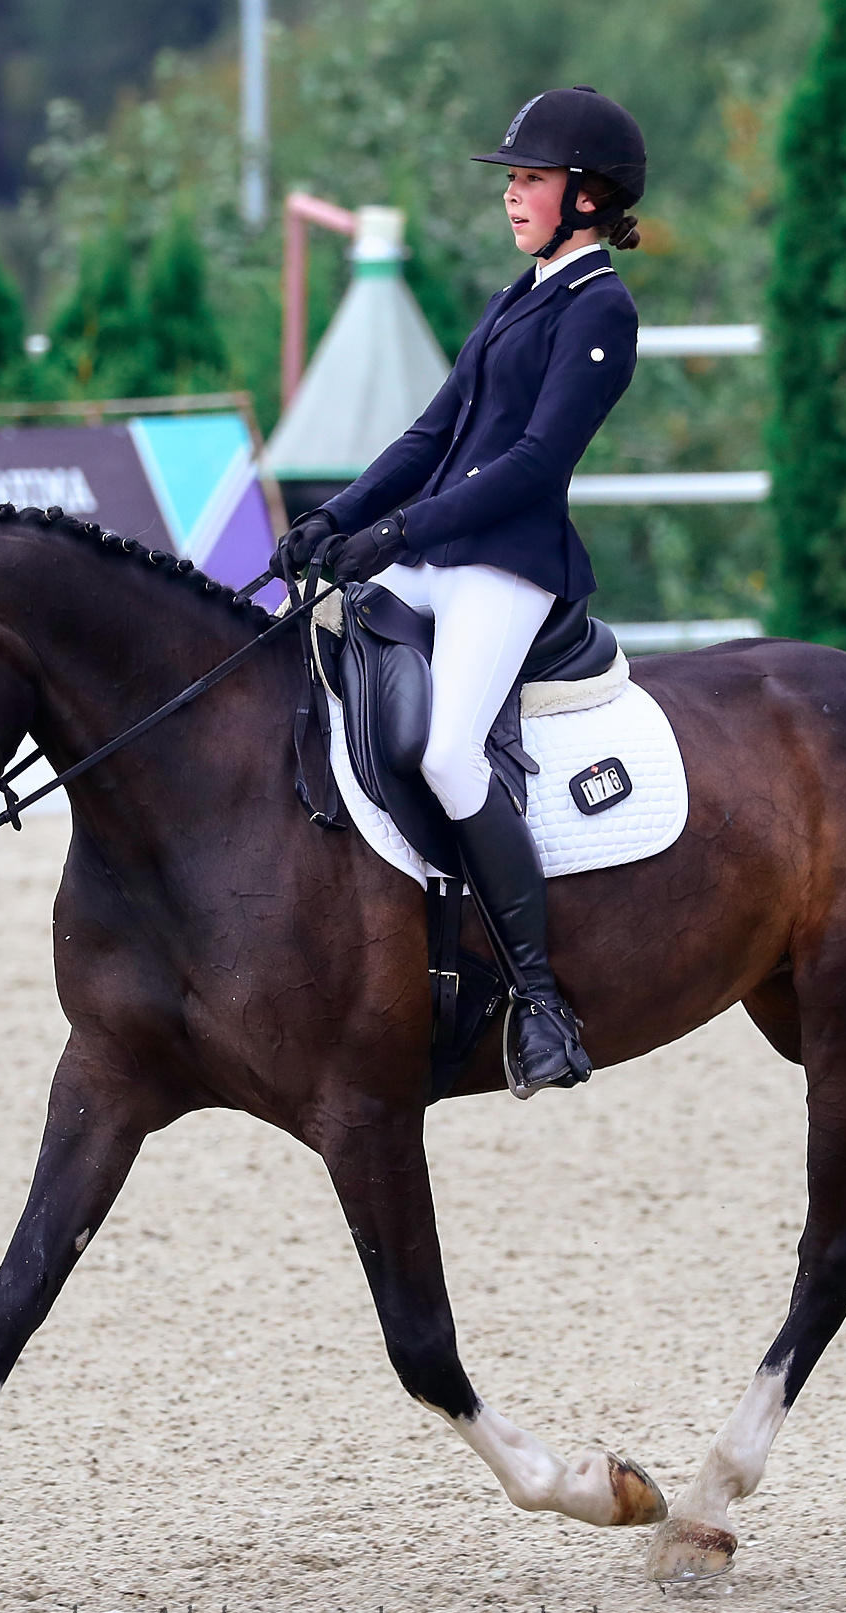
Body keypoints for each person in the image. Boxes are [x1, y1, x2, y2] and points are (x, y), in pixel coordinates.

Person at [269, 86, 646, 1097]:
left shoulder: (601, 310)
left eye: (529, 179)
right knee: (309, 652)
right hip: (436, 554)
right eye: (512, 180)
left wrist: (398, 530)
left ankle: (539, 1001)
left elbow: (532, 464)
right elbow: (429, 437)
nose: (512, 195)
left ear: (586, 195)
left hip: (507, 566)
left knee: (445, 748)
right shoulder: (514, 299)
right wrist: (336, 519)